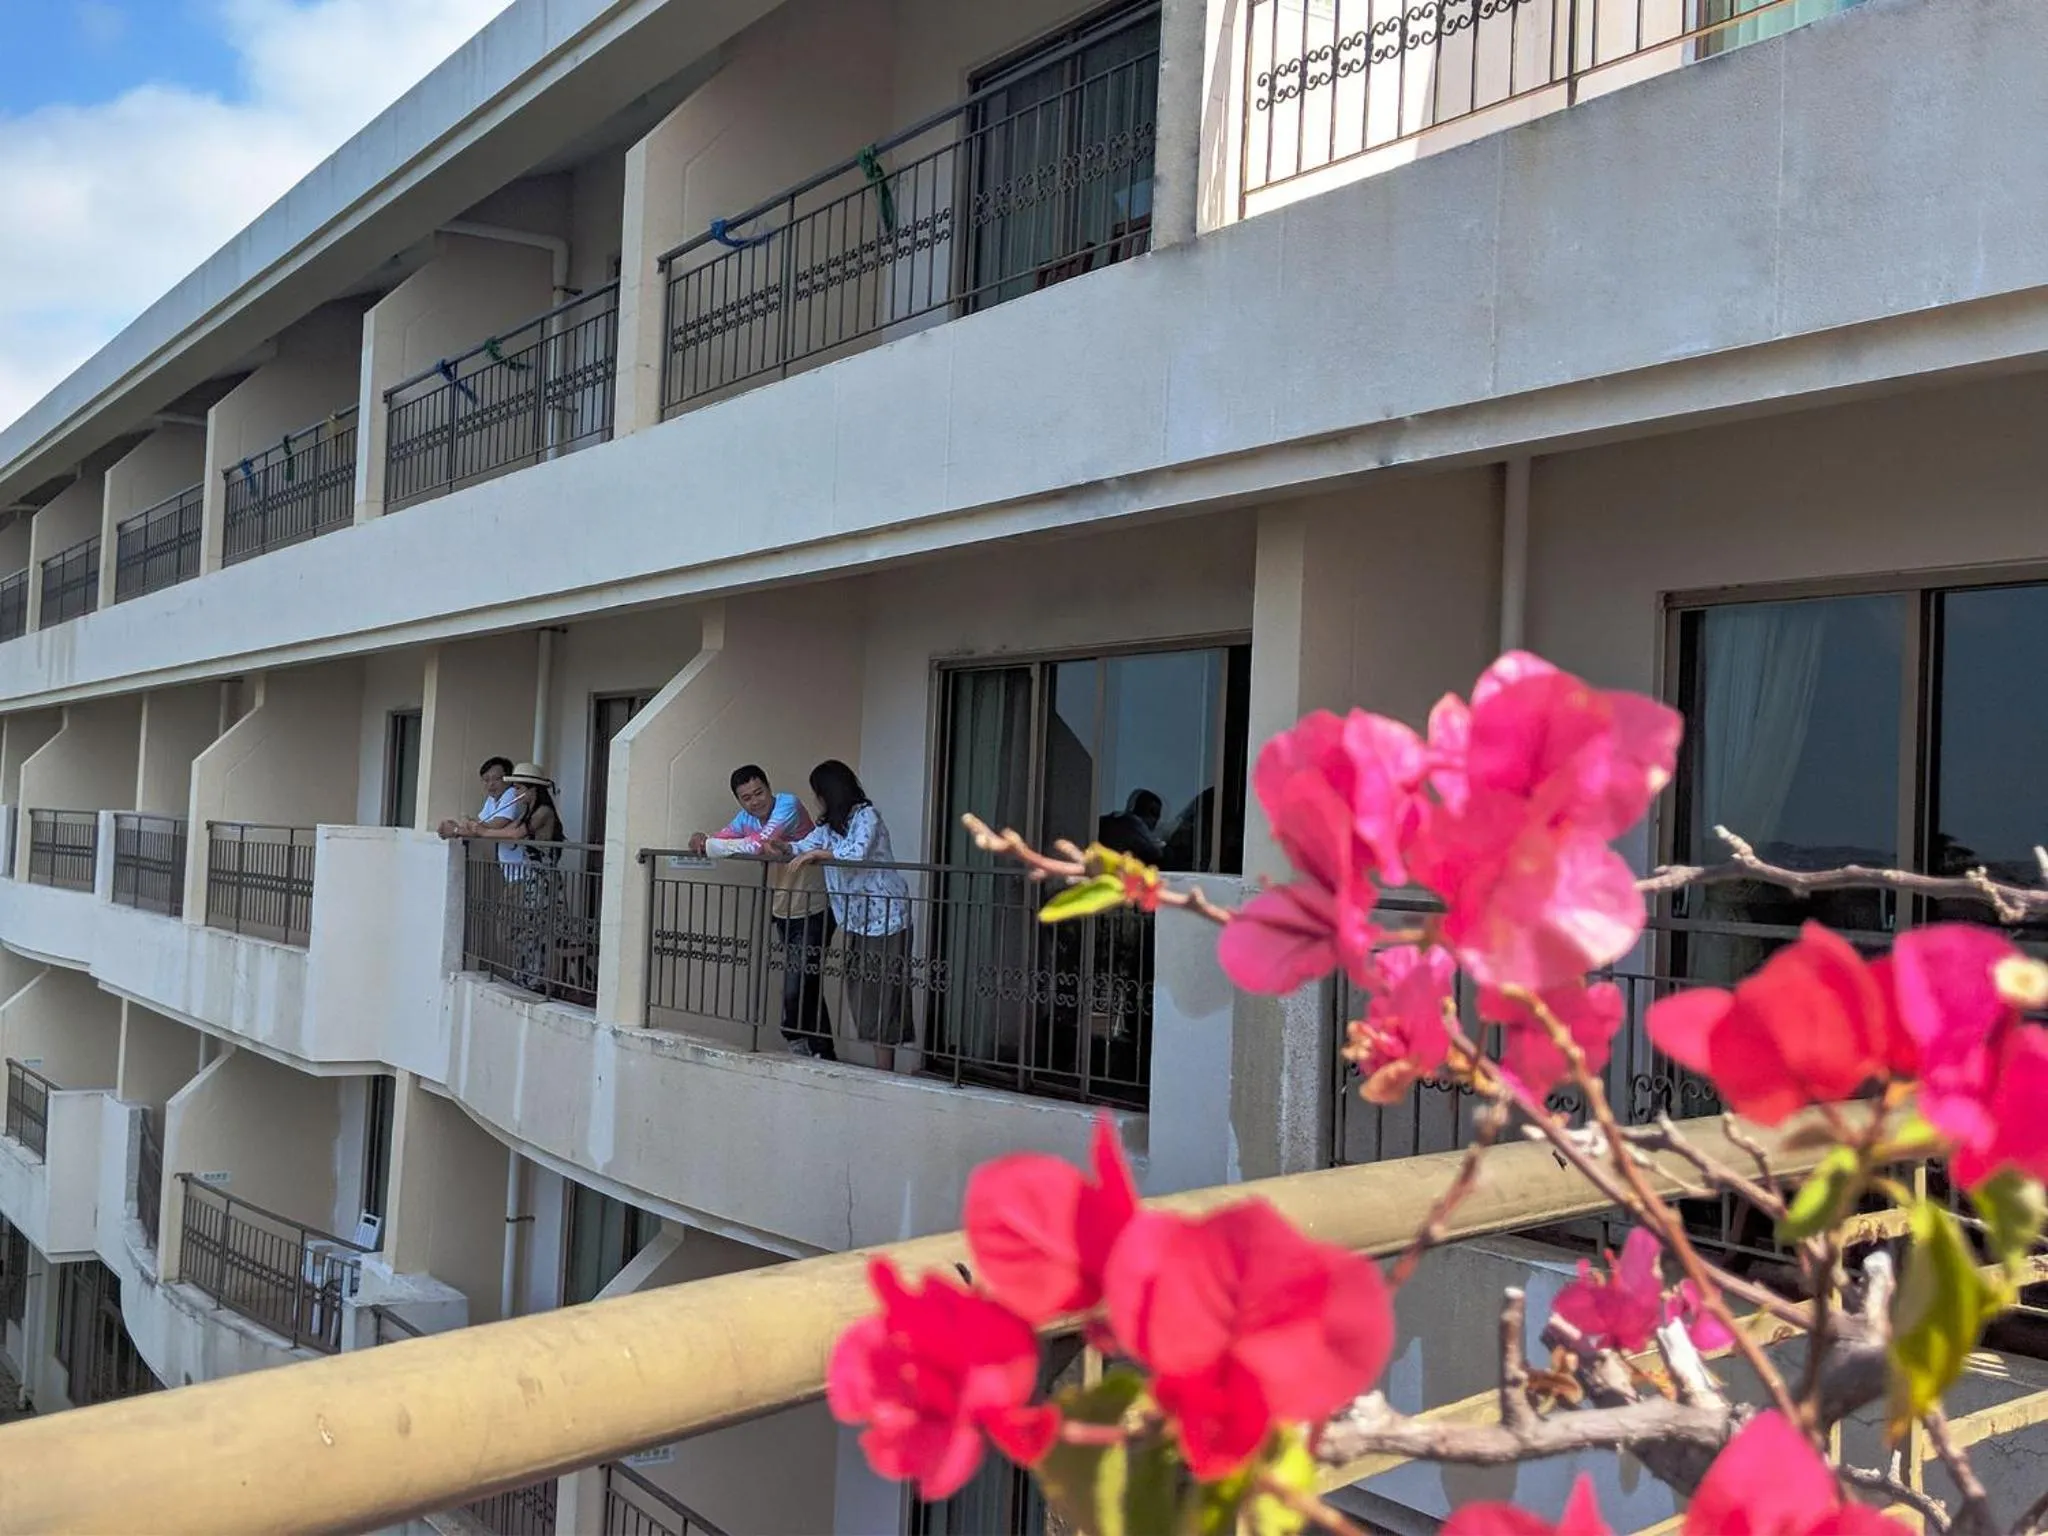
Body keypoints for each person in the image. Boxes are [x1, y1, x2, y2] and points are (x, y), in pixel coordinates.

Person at [688, 765, 838, 1060]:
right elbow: (722, 837)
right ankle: (821, 1050)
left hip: (814, 906)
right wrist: (702, 839)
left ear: (770, 788)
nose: (755, 801)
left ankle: (797, 1037)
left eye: (759, 793)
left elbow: (756, 846)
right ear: (740, 801)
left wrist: (713, 846)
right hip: (784, 909)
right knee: (806, 982)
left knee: (800, 982)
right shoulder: (747, 818)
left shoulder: (788, 805)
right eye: (746, 798)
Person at [777, 761, 914, 1072]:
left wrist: (819, 855)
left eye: (818, 793)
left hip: (886, 918)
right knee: (862, 990)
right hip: (857, 919)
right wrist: (784, 848)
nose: (817, 800)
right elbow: (803, 846)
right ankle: (881, 1067)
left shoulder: (867, 816)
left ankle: (884, 1070)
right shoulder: (829, 826)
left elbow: (857, 853)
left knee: (881, 992)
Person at [498, 764, 565, 996]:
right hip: (532, 878)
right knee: (527, 927)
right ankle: (525, 974)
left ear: (531, 789)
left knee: (537, 928)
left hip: (543, 878)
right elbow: (508, 829)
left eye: (518, 788)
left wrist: (482, 832)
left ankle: (536, 978)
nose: (515, 793)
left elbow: (516, 834)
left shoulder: (544, 811)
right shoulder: (529, 810)